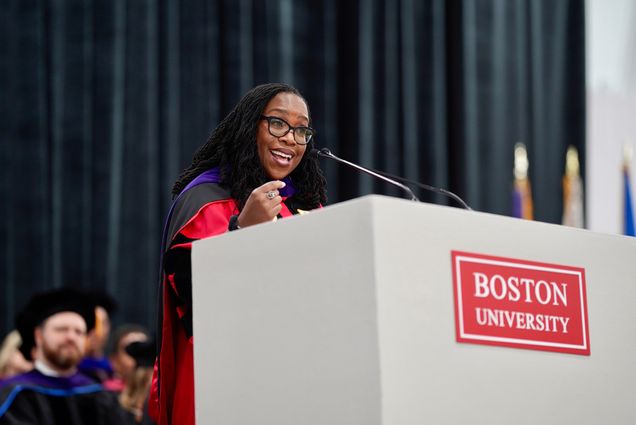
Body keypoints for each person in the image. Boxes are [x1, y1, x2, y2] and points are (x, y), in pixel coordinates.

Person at [150, 83, 327, 425]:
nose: (291, 138)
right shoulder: (207, 199)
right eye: (278, 124)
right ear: (250, 127)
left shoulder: (309, 208)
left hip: (296, 380)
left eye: (301, 129)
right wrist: (241, 231)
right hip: (224, 379)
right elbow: (191, 298)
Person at [0, 287, 135, 425]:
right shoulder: (16, 395)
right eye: (61, 329)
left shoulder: (101, 396)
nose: (71, 337)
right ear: (38, 336)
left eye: (79, 332)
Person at [78, 290, 118, 382]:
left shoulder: (115, 371)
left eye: (102, 324)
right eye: (91, 323)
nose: (96, 331)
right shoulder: (66, 371)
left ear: (109, 326)